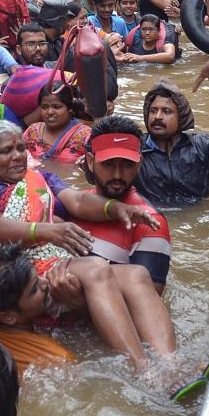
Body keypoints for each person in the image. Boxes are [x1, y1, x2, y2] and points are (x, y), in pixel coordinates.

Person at [0, 121, 175, 370]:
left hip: (52, 262)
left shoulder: (39, 177)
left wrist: (118, 209)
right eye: (5, 151)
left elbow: (79, 201)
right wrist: (49, 231)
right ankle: (144, 370)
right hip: (13, 274)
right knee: (95, 268)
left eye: (20, 148)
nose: (17, 156)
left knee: (137, 274)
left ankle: (170, 364)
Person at [76, 115, 171, 290]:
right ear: (90, 161)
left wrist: (75, 296)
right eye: (108, 164)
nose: (118, 175)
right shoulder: (75, 205)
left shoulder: (150, 224)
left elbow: (147, 300)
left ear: (139, 164)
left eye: (127, 165)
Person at [0, 245, 77, 373]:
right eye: (34, 290)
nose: (45, 282)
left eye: (38, 276)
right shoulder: (57, 360)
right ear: (8, 317)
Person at [22, 84, 91, 163]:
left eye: (56, 107)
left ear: (70, 109)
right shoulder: (32, 131)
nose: (50, 112)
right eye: (44, 107)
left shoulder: (85, 136)